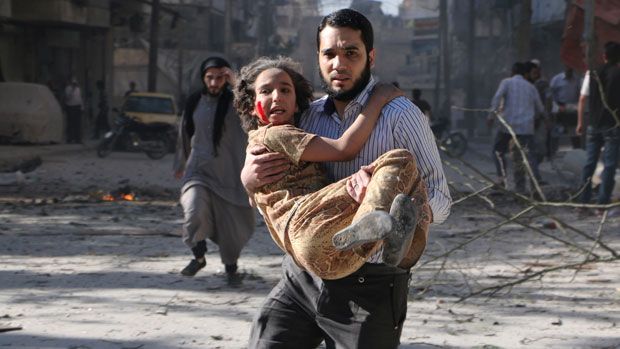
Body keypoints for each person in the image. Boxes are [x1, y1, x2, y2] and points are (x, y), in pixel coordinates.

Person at [241, 9, 451, 348]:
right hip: (302, 276)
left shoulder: (400, 115)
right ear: (319, 59)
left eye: (351, 53)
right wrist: (248, 180)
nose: (340, 63)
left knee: (397, 167)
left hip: (369, 286)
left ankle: (371, 225)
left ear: (370, 56)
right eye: (330, 54)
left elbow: (442, 198)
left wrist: (406, 209)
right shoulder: (304, 116)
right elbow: (281, 188)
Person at [233, 56, 430, 280]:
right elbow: (344, 149)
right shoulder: (275, 133)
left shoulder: (256, 143)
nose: (277, 96)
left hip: (325, 256)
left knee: (399, 198)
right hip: (308, 224)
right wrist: (379, 98)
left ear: (297, 103)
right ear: (250, 106)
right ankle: (389, 231)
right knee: (400, 160)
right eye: (266, 91)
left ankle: (383, 234)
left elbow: (254, 199)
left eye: (285, 90)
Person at [173, 56, 255, 279]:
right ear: (203, 78)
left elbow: (255, 110)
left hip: (230, 174)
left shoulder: (236, 103)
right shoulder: (193, 102)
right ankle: (198, 257)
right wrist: (180, 164)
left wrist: (236, 82)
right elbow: (184, 134)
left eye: (220, 78)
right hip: (198, 171)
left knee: (231, 227)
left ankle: (231, 268)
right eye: (210, 78)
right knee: (193, 210)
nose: (214, 83)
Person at [489, 62, 544, 193]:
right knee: (526, 157)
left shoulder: (506, 82)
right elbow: (540, 108)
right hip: (526, 128)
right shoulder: (531, 87)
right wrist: (543, 119)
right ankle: (533, 186)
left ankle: (501, 178)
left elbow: (497, 98)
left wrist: (491, 115)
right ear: (525, 73)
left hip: (508, 127)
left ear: (512, 72)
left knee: (498, 152)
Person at [576, 41, 620, 207]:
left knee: (589, 163)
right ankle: (602, 204)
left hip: (594, 125)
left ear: (604, 56)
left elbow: (582, 98)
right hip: (612, 126)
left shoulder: (591, 73)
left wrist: (580, 122)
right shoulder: (618, 74)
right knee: (609, 165)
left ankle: (583, 202)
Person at [549, 65, 582, 152]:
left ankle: (577, 151)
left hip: (572, 109)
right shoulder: (556, 79)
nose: (569, 71)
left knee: (574, 134)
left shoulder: (577, 80)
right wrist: (557, 107)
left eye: (570, 69)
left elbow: (580, 95)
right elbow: (550, 96)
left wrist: (576, 107)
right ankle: (552, 153)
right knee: (556, 132)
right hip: (559, 108)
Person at [64, 77, 84, 144]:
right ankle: (70, 138)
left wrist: (82, 107)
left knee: (78, 124)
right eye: (73, 83)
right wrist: (72, 90)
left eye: (75, 83)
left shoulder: (78, 89)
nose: (75, 84)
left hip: (77, 107)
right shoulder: (68, 88)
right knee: (70, 124)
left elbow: (80, 98)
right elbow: (68, 97)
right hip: (70, 107)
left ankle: (78, 138)